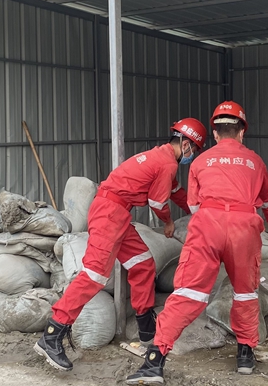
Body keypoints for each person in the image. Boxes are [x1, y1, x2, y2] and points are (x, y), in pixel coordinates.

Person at [126, 101, 268, 386]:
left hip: (207, 226)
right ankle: (245, 354)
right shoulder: (255, 161)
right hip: (244, 229)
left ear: (215, 132)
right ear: (242, 132)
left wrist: (212, 226)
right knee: (245, 293)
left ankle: (154, 361)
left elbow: (194, 205)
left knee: (187, 293)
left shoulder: (199, 161)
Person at [35, 118, 207, 371]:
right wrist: (169, 223)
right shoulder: (166, 163)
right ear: (187, 144)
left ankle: (146, 327)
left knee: (143, 264)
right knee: (94, 276)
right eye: (195, 150)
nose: (192, 155)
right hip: (109, 214)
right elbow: (158, 203)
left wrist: (203, 209)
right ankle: (52, 334)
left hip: (117, 214)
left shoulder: (160, 158)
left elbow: (177, 193)